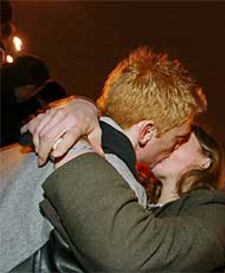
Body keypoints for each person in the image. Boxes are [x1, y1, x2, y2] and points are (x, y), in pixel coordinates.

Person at [1, 47, 208, 272]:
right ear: (146, 132)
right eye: (177, 138)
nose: (174, 147)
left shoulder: (29, 140)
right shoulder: (118, 185)